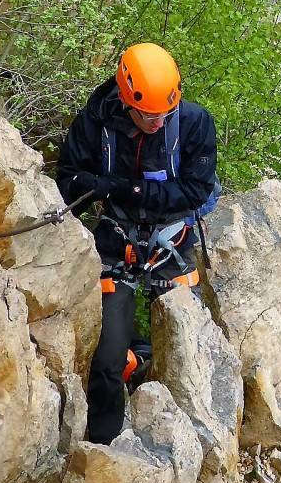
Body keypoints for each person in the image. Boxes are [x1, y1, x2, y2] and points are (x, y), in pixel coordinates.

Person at [56, 43, 219, 444]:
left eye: (164, 113)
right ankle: (104, 447)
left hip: (171, 242)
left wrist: (121, 188)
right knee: (107, 360)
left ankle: (186, 440)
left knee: (189, 352)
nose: (157, 123)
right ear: (127, 101)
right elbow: (67, 181)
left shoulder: (193, 124)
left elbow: (195, 191)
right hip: (118, 242)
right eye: (148, 114)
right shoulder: (97, 123)